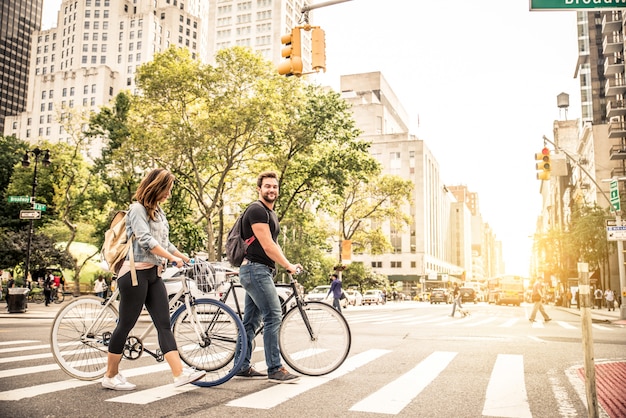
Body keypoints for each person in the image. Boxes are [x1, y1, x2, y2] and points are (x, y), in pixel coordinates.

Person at [102, 168, 205, 391]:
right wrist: (170, 258)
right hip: (134, 274)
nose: (169, 193)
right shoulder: (136, 209)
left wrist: (183, 257)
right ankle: (110, 375)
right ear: (156, 187)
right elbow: (145, 239)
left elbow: (165, 243)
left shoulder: (158, 213)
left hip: (153, 274)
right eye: (167, 189)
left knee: (164, 324)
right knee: (126, 324)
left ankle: (179, 374)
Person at [235, 171, 303, 384]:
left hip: (259, 270)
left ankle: (241, 365)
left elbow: (273, 244)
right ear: (259, 189)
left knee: (251, 322)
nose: (271, 190)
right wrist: (288, 266)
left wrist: (288, 263)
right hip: (255, 270)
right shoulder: (257, 210)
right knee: (273, 315)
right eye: (267, 186)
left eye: (274, 186)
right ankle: (275, 368)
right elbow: (266, 245)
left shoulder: (269, 213)